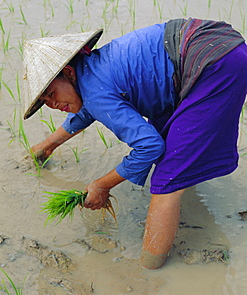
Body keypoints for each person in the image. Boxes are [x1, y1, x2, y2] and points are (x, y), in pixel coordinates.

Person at [23, 18, 247, 270]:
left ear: (69, 73)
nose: (52, 105)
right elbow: (86, 110)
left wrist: (101, 185)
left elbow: (149, 147)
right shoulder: (93, 72)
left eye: (52, 94)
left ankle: (150, 271)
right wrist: (46, 147)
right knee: (168, 139)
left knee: (166, 181)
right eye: (45, 101)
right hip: (215, 45)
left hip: (214, 63)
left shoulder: (94, 91)